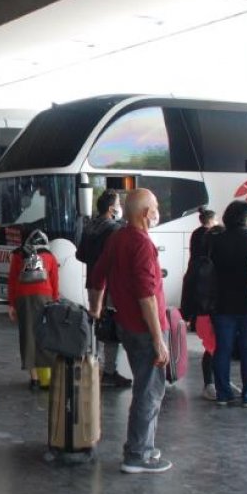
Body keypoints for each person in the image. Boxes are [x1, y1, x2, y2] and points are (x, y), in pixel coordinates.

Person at [89, 188, 172, 474]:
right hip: (144, 329)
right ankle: (138, 454)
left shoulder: (117, 238)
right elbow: (146, 297)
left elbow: (97, 276)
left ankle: (141, 447)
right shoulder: (142, 245)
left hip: (126, 324)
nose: (158, 210)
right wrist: (159, 339)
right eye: (156, 206)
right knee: (149, 391)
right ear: (146, 213)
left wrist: (95, 311)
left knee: (144, 388)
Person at [208, 200, 247, 408]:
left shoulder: (216, 241)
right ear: (246, 218)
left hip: (222, 304)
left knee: (222, 349)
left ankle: (223, 394)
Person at [82, 189, 131, 388]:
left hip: (92, 279)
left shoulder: (89, 226)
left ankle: (94, 364)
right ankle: (109, 370)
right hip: (108, 283)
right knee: (110, 326)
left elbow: (80, 254)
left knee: (96, 323)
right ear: (112, 208)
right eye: (119, 203)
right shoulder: (114, 229)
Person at [6, 230, 59, 389]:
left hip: (24, 298)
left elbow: (12, 281)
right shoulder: (49, 256)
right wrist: (55, 301)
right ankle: (47, 379)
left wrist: (12, 304)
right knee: (45, 335)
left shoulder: (18, 255)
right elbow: (55, 280)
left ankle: (34, 379)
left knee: (28, 335)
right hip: (45, 297)